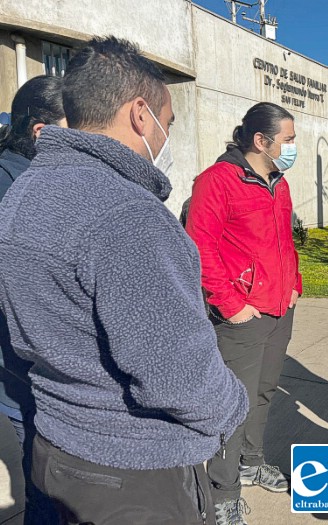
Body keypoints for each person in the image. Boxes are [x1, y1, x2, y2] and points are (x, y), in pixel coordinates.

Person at [0, 37, 248, 525]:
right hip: (133, 471)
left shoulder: (26, 191)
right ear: (140, 114)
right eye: (167, 123)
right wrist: (231, 404)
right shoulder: (128, 215)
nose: (165, 138)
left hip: (54, 442)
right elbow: (177, 374)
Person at [186, 102, 302, 525]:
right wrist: (231, 307)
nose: (293, 147)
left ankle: (252, 462)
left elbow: (284, 242)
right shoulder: (217, 181)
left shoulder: (280, 183)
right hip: (241, 317)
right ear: (261, 140)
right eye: (288, 139)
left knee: (264, 392)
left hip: (278, 309)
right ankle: (223, 493)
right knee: (233, 405)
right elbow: (199, 248)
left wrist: (294, 285)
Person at [0, 75, 65, 525]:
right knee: (47, 485)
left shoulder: (32, 180)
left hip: (33, 368)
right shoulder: (15, 191)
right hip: (29, 370)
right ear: (42, 132)